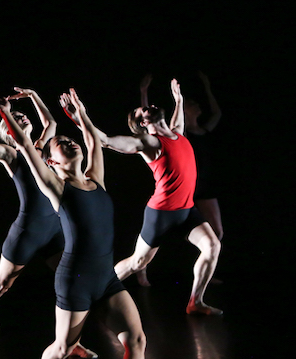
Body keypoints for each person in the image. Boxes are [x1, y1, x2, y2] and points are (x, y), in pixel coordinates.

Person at [0, 89, 163, 359]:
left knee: (137, 340)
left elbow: (95, 143)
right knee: (63, 347)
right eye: (60, 143)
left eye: (72, 141)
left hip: (106, 278)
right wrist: (8, 114)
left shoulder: (95, 179)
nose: (70, 143)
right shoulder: (55, 186)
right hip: (75, 280)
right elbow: (24, 146)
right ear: (51, 161)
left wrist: (81, 114)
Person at [0, 87, 96, 358]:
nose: (21, 118)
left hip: (54, 229)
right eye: (14, 118)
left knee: (72, 284)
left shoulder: (43, 149)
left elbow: (51, 123)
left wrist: (32, 95)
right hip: (28, 230)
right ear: (7, 132)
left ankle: (71, 342)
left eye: (22, 115)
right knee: (1, 284)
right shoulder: (11, 154)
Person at [92, 79, 221, 315]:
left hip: (186, 211)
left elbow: (178, 119)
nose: (149, 105)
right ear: (143, 123)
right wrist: (81, 118)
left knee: (213, 246)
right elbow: (107, 142)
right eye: (144, 110)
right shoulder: (150, 143)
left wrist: (179, 99)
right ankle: (99, 290)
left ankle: (195, 302)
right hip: (161, 215)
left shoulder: (177, 134)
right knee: (138, 263)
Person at [135, 72, 224, 287]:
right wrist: (144, 94)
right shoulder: (178, 132)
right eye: (192, 104)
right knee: (153, 243)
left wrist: (206, 85)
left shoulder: (203, 130)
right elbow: (147, 125)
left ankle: (205, 271)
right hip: (181, 188)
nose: (198, 107)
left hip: (203, 186)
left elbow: (217, 113)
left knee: (216, 233)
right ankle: (141, 269)